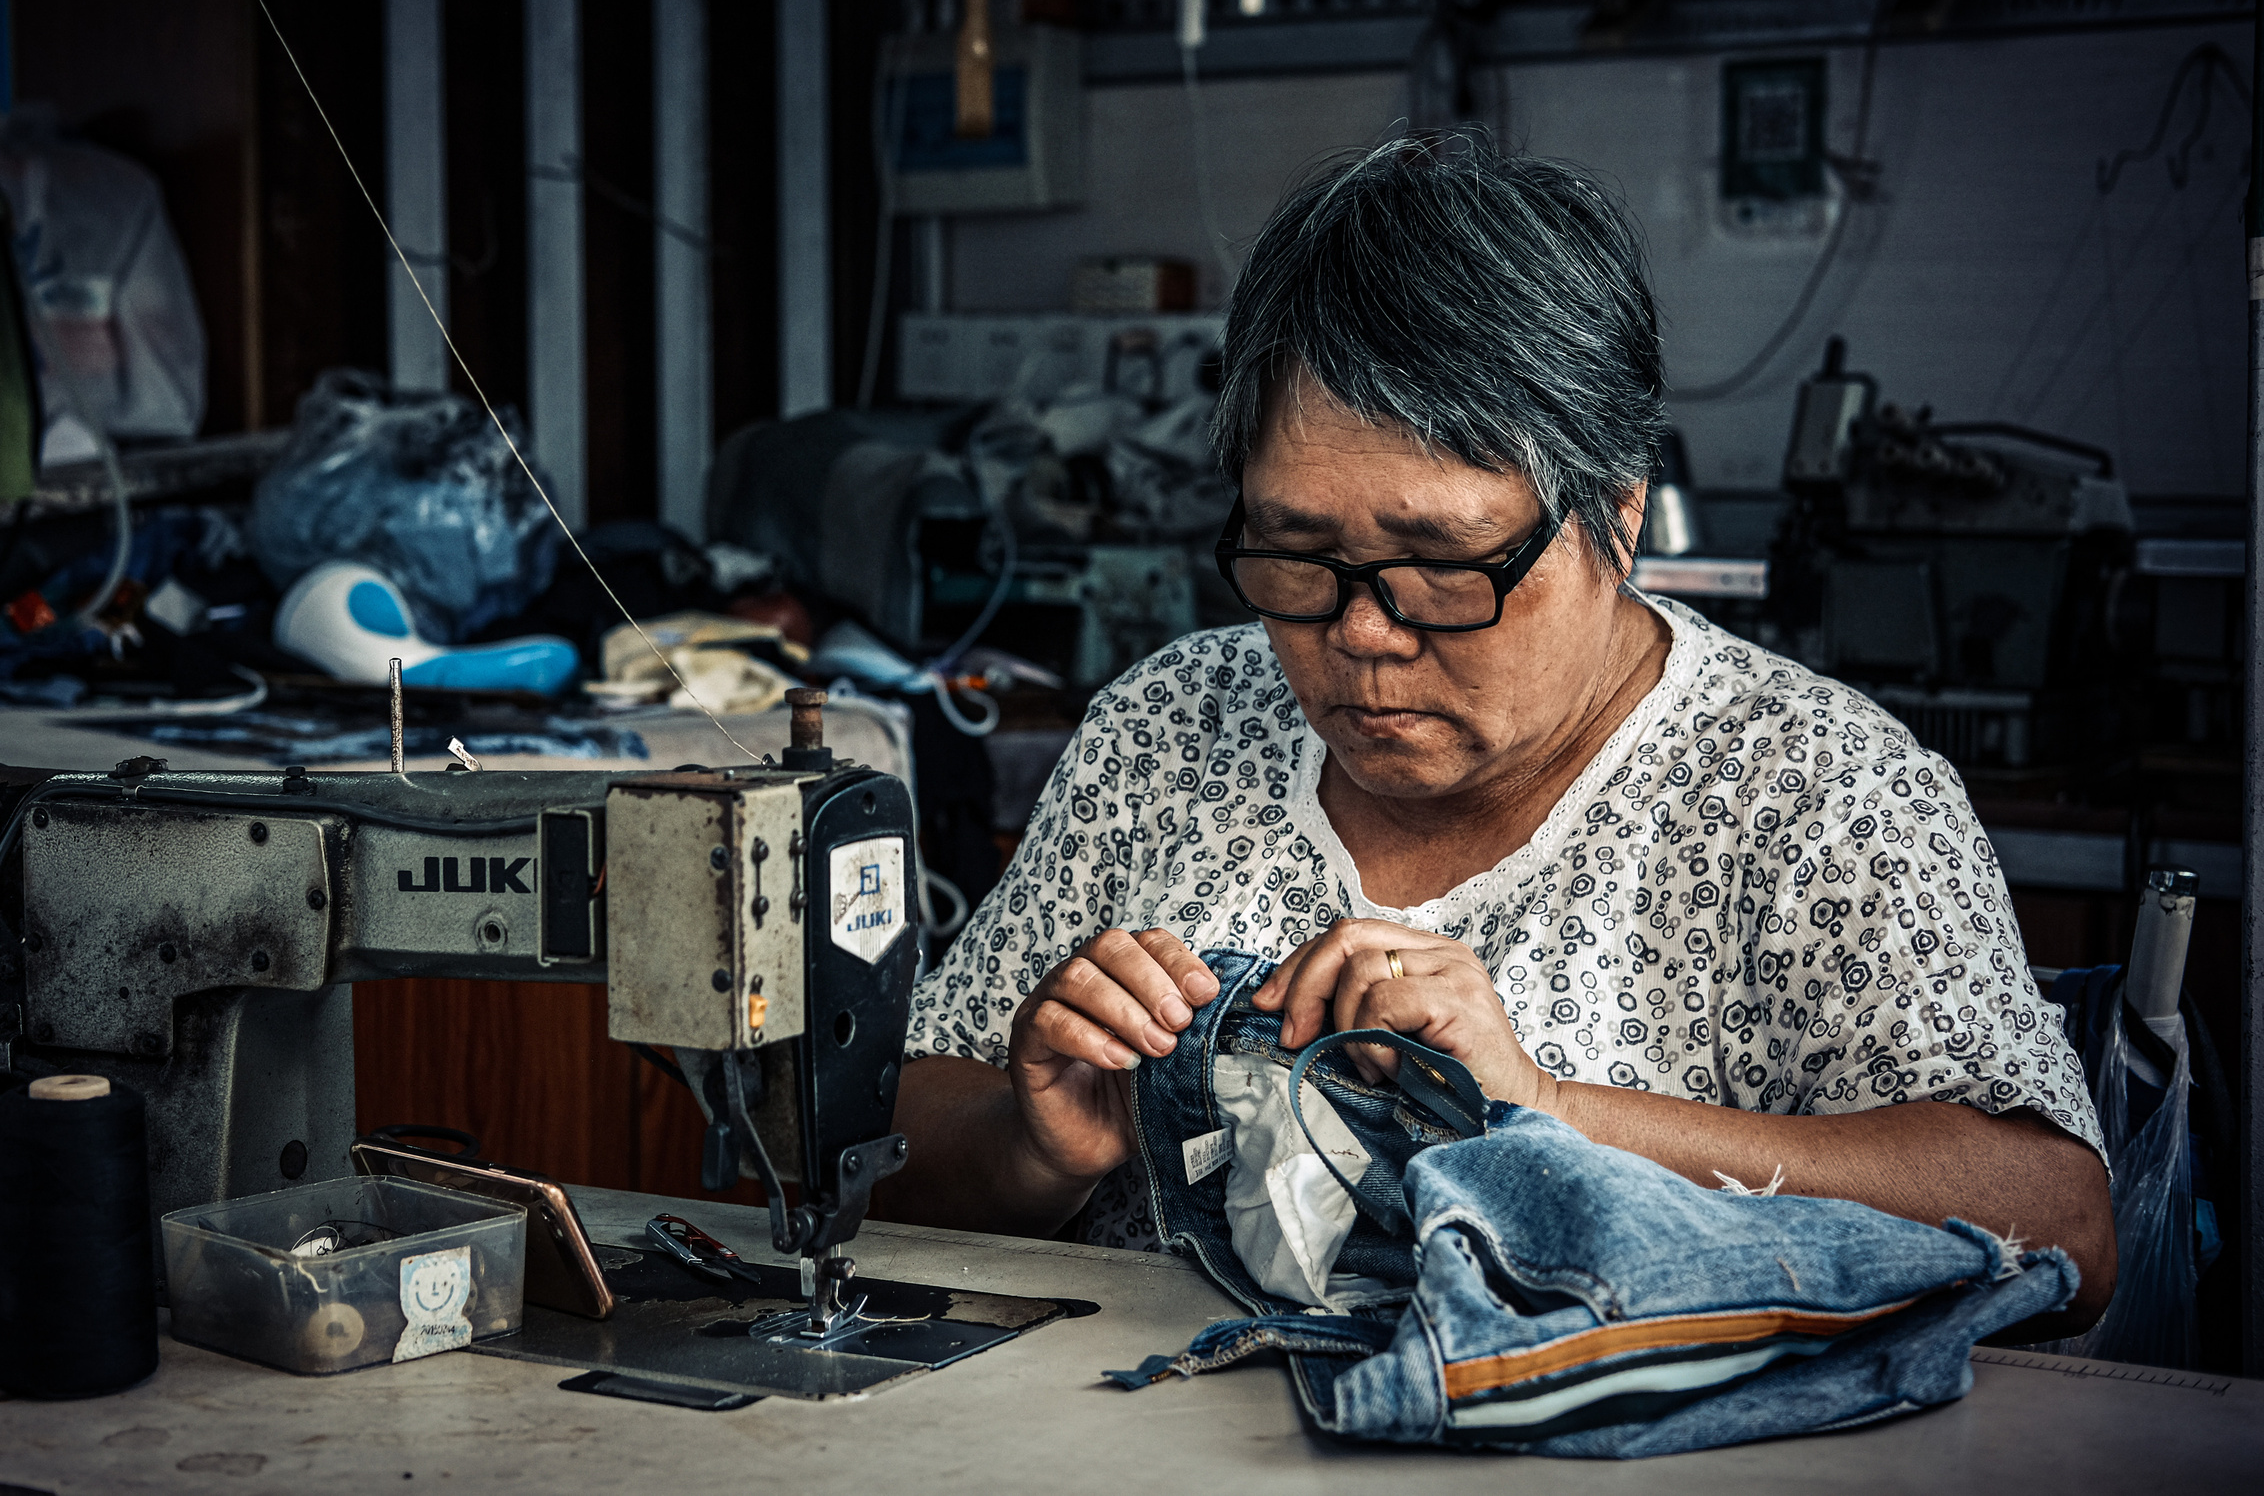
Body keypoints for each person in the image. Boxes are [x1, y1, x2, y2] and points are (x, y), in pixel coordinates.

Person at [885, 137, 2115, 1332]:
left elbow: (2059, 1227)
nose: (1362, 633)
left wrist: (1544, 1109)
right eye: (1299, 556)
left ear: (1616, 518)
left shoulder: (1815, 794)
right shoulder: (1168, 731)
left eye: (1439, 566)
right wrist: (1033, 1145)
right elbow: (901, 1133)